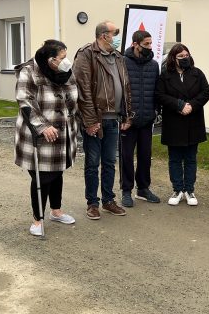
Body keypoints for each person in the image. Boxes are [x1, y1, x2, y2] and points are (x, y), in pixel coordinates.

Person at [15, 40, 80, 236]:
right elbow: (25, 100)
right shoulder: (29, 71)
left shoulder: (65, 71)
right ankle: (37, 219)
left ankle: (56, 211)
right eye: (62, 57)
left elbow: (74, 96)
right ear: (51, 60)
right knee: (42, 176)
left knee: (58, 171)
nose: (65, 61)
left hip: (63, 132)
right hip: (39, 135)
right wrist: (43, 126)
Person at [73, 20, 131, 220]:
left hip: (113, 119)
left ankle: (108, 200)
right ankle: (92, 203)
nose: (118, 36)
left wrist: (126, 114)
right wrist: (90, 121)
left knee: (109, 162)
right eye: (116, 33)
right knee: (92, 162)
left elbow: (125, 86)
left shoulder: (118, 56)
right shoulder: (87, 53)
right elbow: (82, 89)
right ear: (104, 35)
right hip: (95, 119)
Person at [155, 44, 209, 206]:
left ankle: (189, 190)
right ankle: (177, 189)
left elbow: (205, 92)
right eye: (181, 56)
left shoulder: (197, 73)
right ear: (174, 58)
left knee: (191, 158)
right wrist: (179, 105)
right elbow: (159, 95)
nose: (185, 58)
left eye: (186, 55)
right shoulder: (165, 75)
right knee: (174, 158)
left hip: (193, 120)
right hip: (174, 121)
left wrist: (191, 105)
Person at [121, 30, 160, 207]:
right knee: (127, 156)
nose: (149, 47)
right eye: (146, 44)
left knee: (145, 156)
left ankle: (143, 189)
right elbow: (118, 91)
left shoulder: (154, 65)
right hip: (128, 121)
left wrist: (156, 111)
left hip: (147, 119)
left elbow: (156, 91)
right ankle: (126, 191)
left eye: (151, 44)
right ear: (135, 44)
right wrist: (122, 116)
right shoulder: (122, 63)